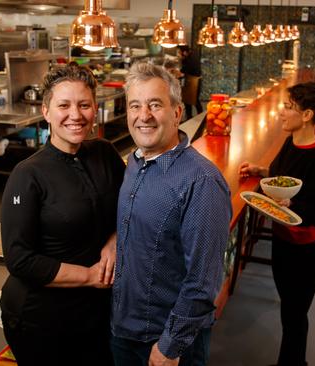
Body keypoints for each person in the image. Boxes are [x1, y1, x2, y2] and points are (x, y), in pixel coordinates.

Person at [0, 65, 125, 366]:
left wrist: (115, 239)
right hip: (42, 318)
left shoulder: (105, 153)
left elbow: (130, 205)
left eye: (84, 105)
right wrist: (90, 276)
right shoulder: (26, 175)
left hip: (96, 310)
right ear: (46, 111)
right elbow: (19, 259)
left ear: (95, 108)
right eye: (64, 105)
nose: (76, 115)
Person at [110, 63, 232, 366]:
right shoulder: (135, 162)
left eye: (155, 105)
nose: (144, 116)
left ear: (177, 112)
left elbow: (203, 281)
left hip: (165, 343)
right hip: (123, 328)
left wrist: (170, 345)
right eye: (135, 106)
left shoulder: (201, 182)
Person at [238, 82, 315, 366]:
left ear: (306, 115)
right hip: (283, 242)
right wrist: (262, 171)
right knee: (288, 312)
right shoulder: (291, 142)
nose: (282, 112)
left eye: (288, 107)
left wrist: (293, 205)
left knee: (295, 316)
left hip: (306, 252)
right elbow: (286, 177)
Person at [177, 45, 203, 119]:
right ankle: (190, 117)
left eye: (179, 52)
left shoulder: (191, 59)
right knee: (187, 100)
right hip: (190, 80)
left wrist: (180, 72)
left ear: (184, 52)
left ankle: (200, 117)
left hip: (195, 81)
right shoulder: (189, 56)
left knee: (194, 100)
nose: (178, 54)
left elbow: (186, 69)